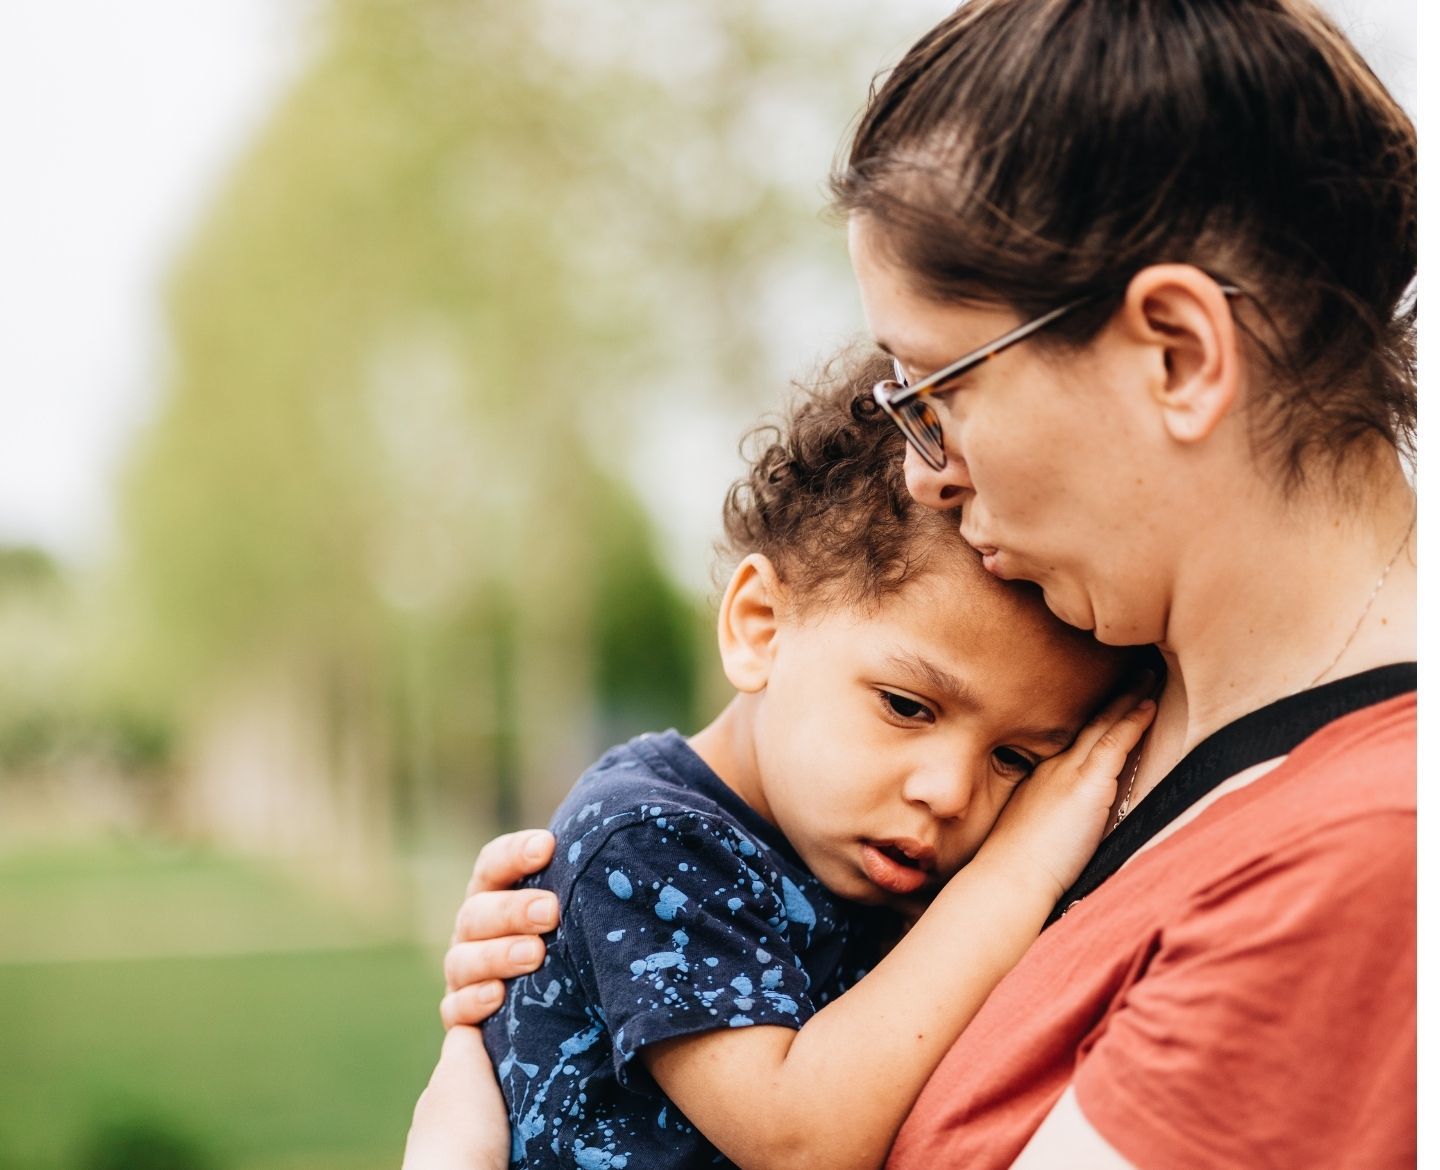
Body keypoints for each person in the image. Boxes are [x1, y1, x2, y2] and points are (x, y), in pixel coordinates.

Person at [409, 0, 1417, 1166]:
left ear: (1177, 355)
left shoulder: (1358, 863)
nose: (917, 471)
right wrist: (532, 1019)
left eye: (938, 390)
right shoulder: (1116, 691)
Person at [482, 357, 1151, 1170]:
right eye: (907, 706)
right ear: (761, 625)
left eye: (1015, 758)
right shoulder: (649, 842)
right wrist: (1014, 874)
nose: (949, 793)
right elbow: (798, 1139)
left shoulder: (855, 849)